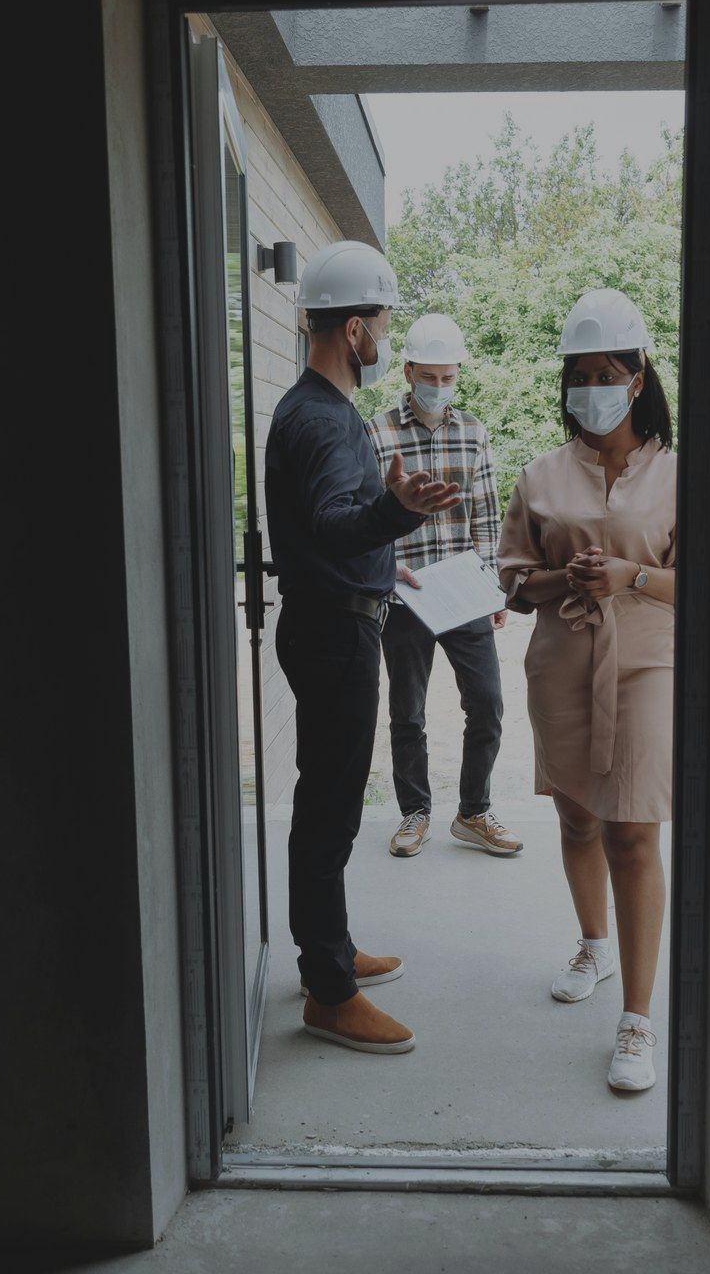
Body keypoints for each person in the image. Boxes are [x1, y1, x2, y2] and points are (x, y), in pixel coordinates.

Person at [266, 240, 462, 1055]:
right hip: (334, 634)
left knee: (329, 802)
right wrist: (396, 515)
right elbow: (331, 524)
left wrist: (388, 563)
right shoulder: (323, 417)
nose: (387, 337)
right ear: (354, 329)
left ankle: (332, 956)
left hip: (335, 619)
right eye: (382, 321)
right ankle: (329, 991)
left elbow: (333, 531)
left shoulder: (310, 408)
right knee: (330, 812)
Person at [495, 289, 678, 1091]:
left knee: (633, 833)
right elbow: (510, 580)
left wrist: (632, 573)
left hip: (646, 664)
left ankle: (637, 1020)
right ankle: (594, 945)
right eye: (578, 375)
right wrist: (552, 577)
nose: (590, 388)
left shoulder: (680, 475)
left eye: (606, 372)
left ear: (638, 379)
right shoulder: (539, 475)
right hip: (562, 663)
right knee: (575, 818)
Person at [364, 313, 523, 861]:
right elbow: (365, 514)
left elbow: (485, 514)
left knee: (488, 704)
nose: (438, 386)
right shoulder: (377, 432)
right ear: (407, 371)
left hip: (461, 591)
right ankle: (415, 812)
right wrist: (384, 571)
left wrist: (493, 588)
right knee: (408, 710)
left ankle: (473, 812)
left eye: (447, 376)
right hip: (405, 592)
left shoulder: (474, 433)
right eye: (428, 375)